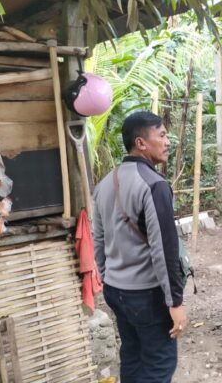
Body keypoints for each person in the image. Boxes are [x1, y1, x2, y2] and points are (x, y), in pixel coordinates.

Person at [93, 111, 186, 382]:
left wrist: (108, 278)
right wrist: (175, 302)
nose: (168, 141)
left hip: (116, 291)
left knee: (132, 357)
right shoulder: (154, 185)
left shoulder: (104, 184)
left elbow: (99, 241)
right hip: (146, 295)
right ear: (141, 143)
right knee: (159, 365)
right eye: (162, 135)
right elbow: (164, 249)